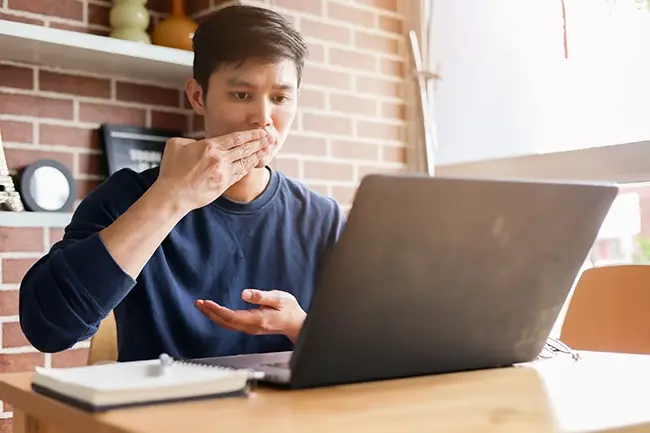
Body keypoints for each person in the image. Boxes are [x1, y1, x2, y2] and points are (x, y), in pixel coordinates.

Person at [18, 5, 346, 362]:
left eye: (280, 98)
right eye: (241, 95)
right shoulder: (127, 196)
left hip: (287, 415)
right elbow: (48, 329)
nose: (263, 119)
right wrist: (170, 197)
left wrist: (300, 325)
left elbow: (369, 350)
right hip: (156, 413)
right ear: (198, 96)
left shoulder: (320, 218)